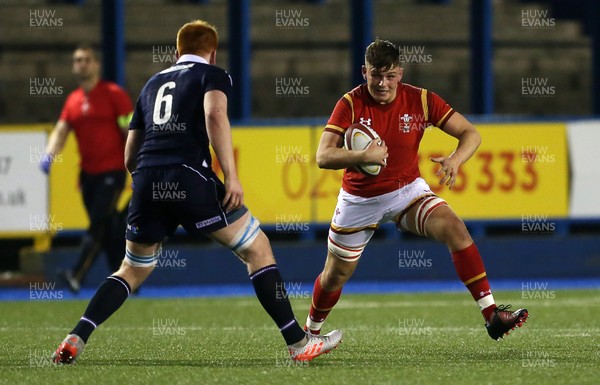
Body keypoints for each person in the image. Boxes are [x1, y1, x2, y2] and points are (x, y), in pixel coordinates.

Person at [52, 20, 342, 365]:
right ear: (213, 51)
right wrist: (231, 176)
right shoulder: (213, 75)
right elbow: (215, 116)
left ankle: (76, 337)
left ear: (177, 51)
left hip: (146, 178)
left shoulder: (151, 84)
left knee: (130, 268)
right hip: (189, 176)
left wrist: (144, 181)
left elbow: (130, 153)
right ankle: (297, 343)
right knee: (257, 248)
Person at [304, 38, 529, 341]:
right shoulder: (350, 103)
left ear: (401, 72)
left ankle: (491, 315)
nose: (383, 83)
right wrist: (361, 156)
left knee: (455, 228)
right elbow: (322, 156)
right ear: (363, 71)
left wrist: (455, 160)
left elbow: (470, 133)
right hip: (360, 200)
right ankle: (310, 334)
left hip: (406, 191)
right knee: (335, 276)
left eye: (390, 75)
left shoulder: (422, 100)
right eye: (375, 75)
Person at [41, 44, 133, 293]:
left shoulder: (114, 94)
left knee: (97, 224)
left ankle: (76, 274)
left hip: (111, 172)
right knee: (109, 226)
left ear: (96, 65)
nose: (81, 64)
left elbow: (130, 130)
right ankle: (126, 279)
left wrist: (137, 162)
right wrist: (49, 155)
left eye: (86, 59)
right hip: (88, 175)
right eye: (77, 60)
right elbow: (61, 130)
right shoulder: (73, 100)